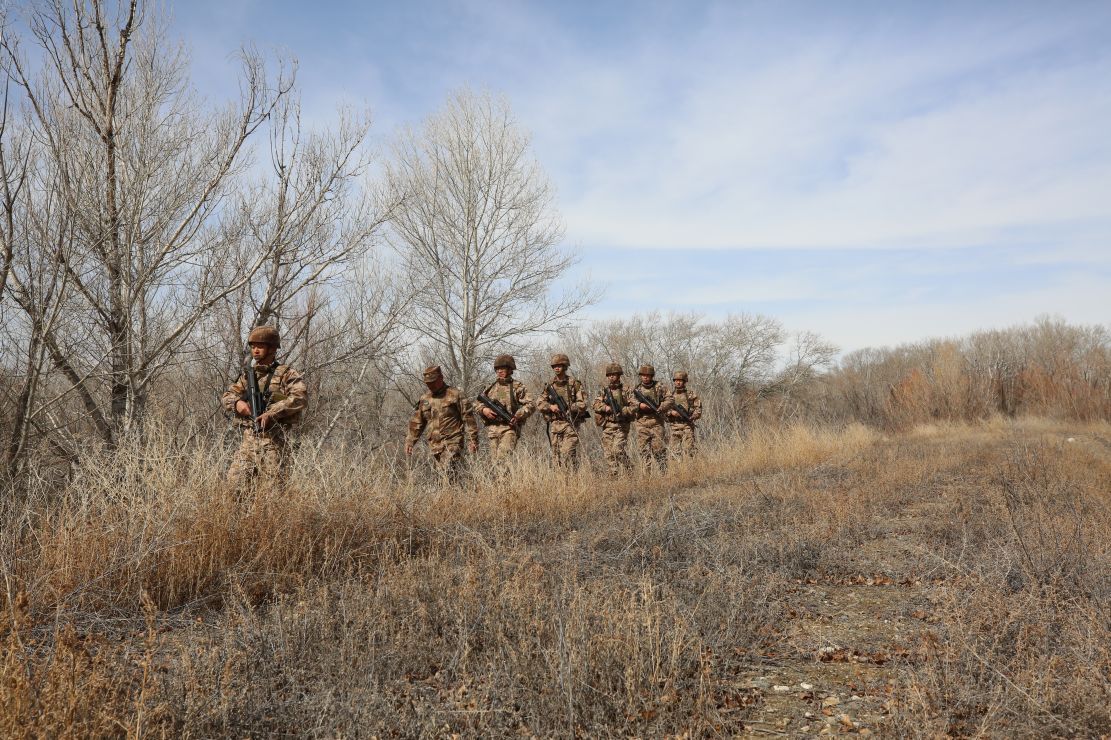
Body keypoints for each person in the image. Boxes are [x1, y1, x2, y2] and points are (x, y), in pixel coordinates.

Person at [221, 326, 308, 492]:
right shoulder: (248, 375)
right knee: (234, 487)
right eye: (253, 346)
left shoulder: (287, 374)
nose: (255, 350)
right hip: (249, 441)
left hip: (276, 442)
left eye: (260, 346)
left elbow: (300, 398)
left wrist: (271, 413)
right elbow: (227, 396)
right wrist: (237, 404)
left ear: (272, 349)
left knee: (272, 494)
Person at [405, 365, 479, 482]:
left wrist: (473, 440)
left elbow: (468, 418)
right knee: (445, 479)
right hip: (434, 445)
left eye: (433, 382)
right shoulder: (425, 399)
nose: (430, 385)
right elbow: (417, 422)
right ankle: (456, 497)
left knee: (446, 471)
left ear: (441, 378)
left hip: (452, 442)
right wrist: (410, 441)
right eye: (428, 383)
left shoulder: (455, 394)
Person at [476, 354, 534, 459]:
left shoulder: (517, 386)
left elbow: (531, 404)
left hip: (509, 428)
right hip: (493, 429)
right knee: (494, 462)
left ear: (510, 369)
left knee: (502, 459)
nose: (499, 371)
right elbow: (477, 402)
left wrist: (518, 416)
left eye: (502, 368)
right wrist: (484, 410)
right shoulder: (491, 386)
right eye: (497, 369)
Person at [538, 353, 588, 467]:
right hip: (555, 424)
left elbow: (583, 403)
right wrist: (551, 407)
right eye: (554, 366)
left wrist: (570, 408)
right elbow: (539, 402)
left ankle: (573, 478)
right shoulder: (549, 385)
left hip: (571, 423)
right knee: (557, 457)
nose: (556, 368)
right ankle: (566, 480)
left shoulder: (574, 384)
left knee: (567, 453)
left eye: (559, 365)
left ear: (565, 366)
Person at [591, 363, 635, 477]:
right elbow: (595, 404)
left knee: (617, 450)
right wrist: (605, 407)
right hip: (608, 425)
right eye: (609, 375)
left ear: (619, 375)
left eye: (614, 374)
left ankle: (629, 467)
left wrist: (623, 410)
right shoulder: (604, 391)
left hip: (622, 425)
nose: (611, 377)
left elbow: (635, 406)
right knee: (608, 452)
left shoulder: (627, 390)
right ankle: (613, 475)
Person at [631, 364, 674, 471]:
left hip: (657, 422)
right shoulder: (637, 389)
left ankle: (663, 471)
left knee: (659, 449)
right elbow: (630, 401)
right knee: (643, 451)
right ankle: (647, 475)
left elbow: (670, 399)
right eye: (643, 375)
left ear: (652, 376)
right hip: (642, 423)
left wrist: (661, 407)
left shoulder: (660, 386)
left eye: (648, 375)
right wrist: (640, 405)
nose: (645, 377)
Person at [668, 370, 702, 457]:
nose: (678, 382)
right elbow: (663, 409)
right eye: (676, 380)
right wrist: (671, 412)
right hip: (675, 426)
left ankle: (692, 469)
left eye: (680, 380)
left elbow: (698, 408)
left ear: (684, 381)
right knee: (675, 453)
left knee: (690, 450)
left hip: (687, 425)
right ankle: (678, 470)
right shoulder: (669, 395)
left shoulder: (691, 395)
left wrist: (693, 416)